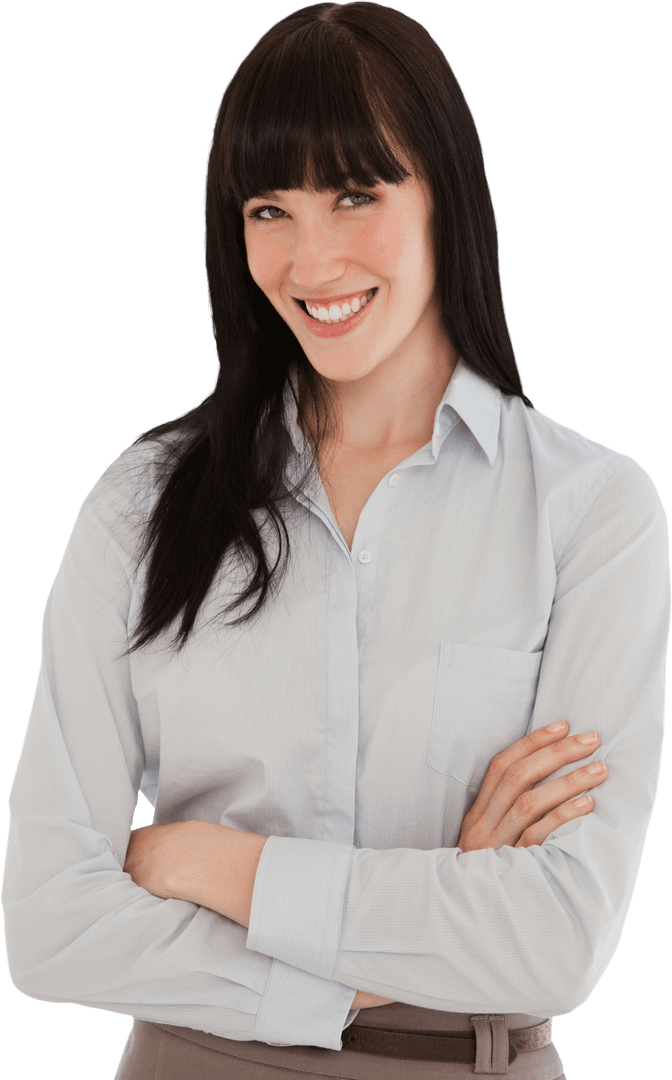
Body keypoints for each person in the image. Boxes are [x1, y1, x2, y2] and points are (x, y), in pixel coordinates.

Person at [2, 2, 669, 1077]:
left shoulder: (593, 512)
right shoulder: (139, 507)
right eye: (271, 208)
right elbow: (44, 924)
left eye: (355, 193)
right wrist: (403, 935)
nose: (311, 259)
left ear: (447, 192)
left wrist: (213, 864)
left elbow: (559, 941)